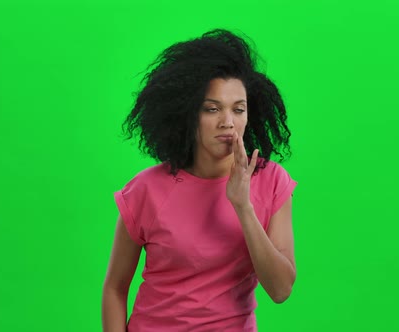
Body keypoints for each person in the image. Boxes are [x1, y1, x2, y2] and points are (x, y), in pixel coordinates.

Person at [102, 29, 297, 332]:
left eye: (239, 109)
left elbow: (281, 290)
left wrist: (243, 206)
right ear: (187, 114)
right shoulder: (145, 189)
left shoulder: (271, 180)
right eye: (212, 109)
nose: (227, 122)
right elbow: (115, 288)